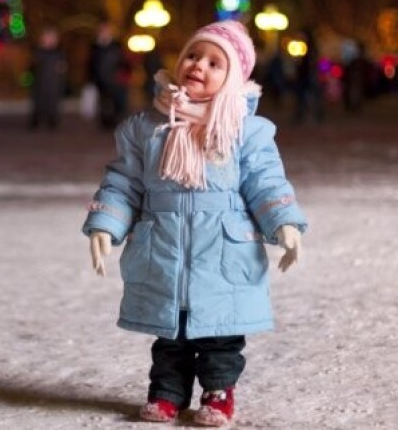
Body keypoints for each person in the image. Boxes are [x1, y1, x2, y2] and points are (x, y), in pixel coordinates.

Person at [82, 21, 307, 427]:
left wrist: (284, 223)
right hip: (164, 247)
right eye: (192, 55)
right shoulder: (147, 128)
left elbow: (266, 181)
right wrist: (106, 224)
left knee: (221, 334)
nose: (198, 65)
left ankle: (219, 391)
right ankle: (167, 392)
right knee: (171, 333)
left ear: (233, 77)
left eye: (214, 62)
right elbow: (124, 182)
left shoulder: (245, 131)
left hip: (223, 250)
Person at [88, 21, 130, 130]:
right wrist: (91, 78)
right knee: (104, 102)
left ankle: (116, 121)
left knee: (117, 102)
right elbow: (91, 63)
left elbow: (125, 61)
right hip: (101, 79)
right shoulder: (95, 47)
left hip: (115, 79)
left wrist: (124, 73)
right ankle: (105, 123)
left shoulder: (117, 45)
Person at [29, 26, 67, 130]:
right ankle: (36, 119)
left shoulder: (58, 52)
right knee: (39, 101)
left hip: (54, 82)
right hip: (41, 81)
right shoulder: (38, 51)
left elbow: (62, 66)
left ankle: (52, 120)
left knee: (52, 101)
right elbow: (33, 66)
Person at [294, 27, 325, 125]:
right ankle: (309, 114)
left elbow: (311, 63)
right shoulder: (310, 47)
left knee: (309, 97)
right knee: (307, 97)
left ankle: (313, 115)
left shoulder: (311, 48)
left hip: (309, 77)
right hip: (308, 76)